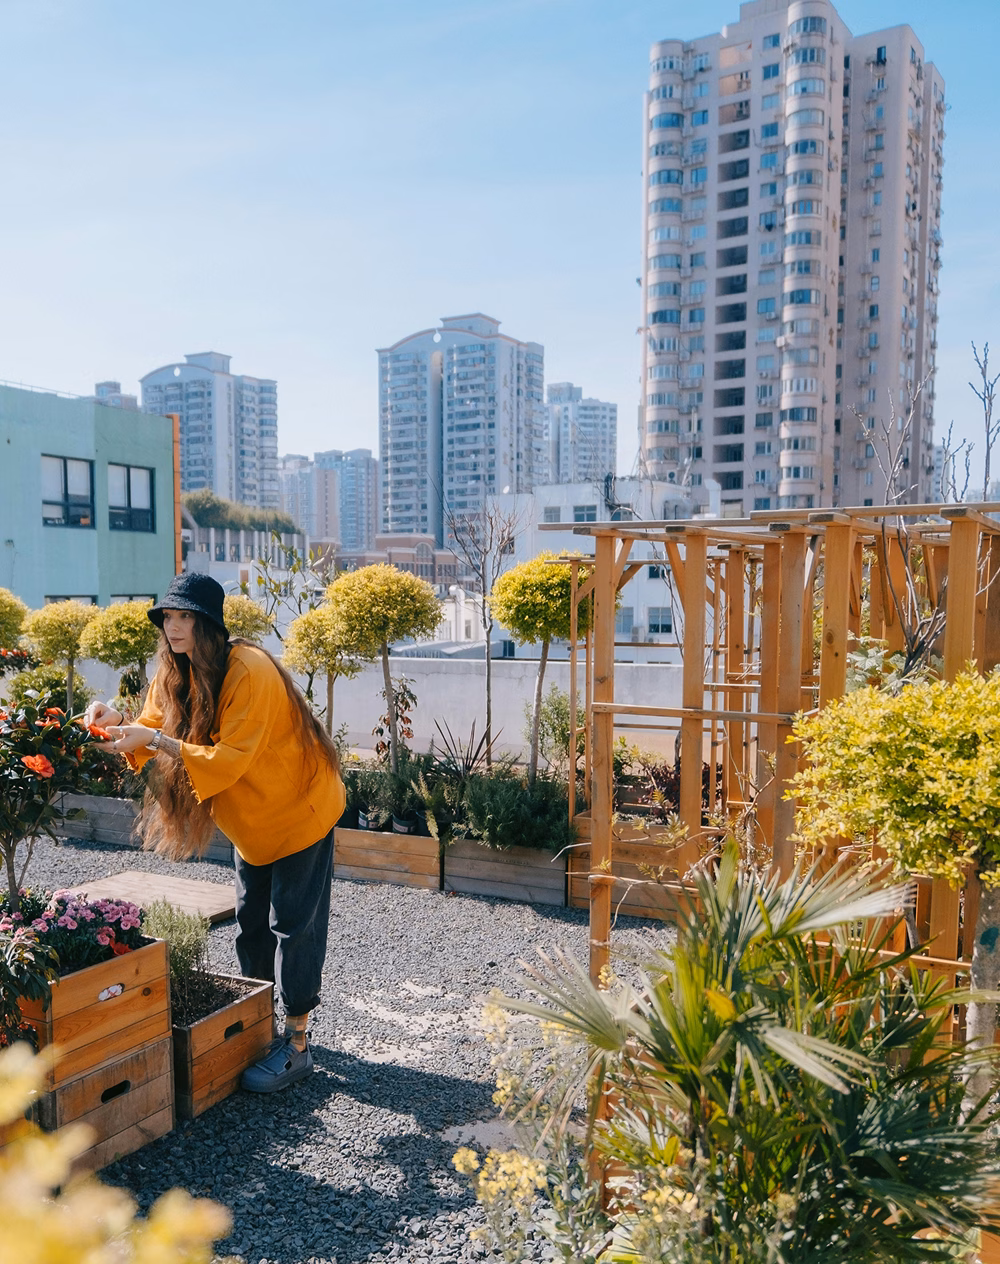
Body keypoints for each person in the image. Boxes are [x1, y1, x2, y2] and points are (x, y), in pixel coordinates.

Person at [84, 573, 345, 1093]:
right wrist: (116, 721)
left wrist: (155, 738)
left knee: (295, 928)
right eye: (168, 619)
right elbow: (153, 722)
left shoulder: (250, 670)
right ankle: (258, 1024)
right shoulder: (174, 670)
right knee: (250, 926)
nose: (173, 628)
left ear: (208, 625)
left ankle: (296, 1043)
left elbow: (228, 760)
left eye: (185, 618)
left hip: (299, 812)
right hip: (250, 824)